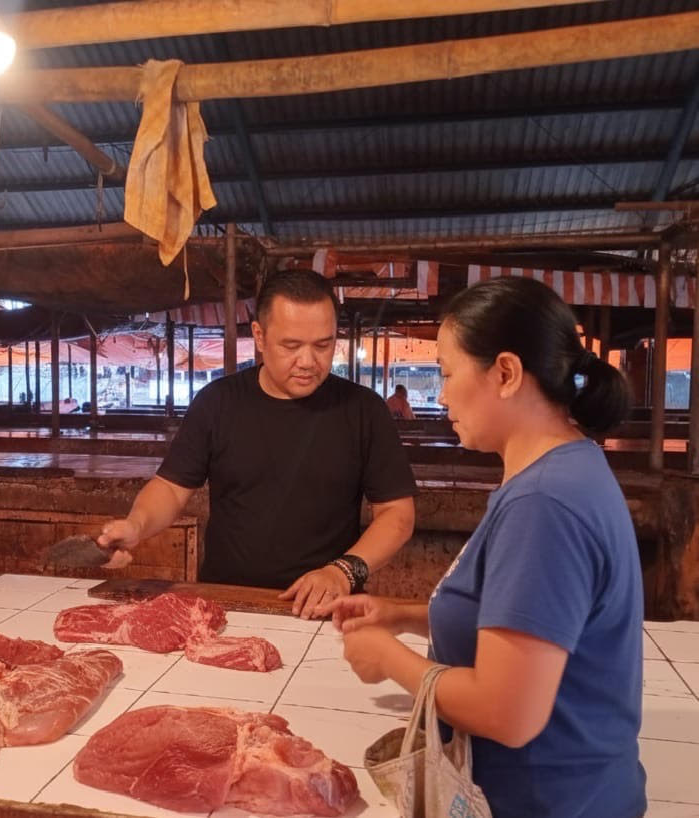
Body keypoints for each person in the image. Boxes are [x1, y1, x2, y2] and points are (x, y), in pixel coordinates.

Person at [326, 276, 644, 818]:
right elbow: (527, 626)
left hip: (549, 802)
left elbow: (508, 711)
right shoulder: (564, 472)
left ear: (505, 373)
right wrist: (403, 614)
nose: (442, 394)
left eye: (448, 373)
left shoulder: (545, 503)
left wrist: (389, 657)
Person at [97, 268, 417, 618]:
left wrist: (343, 570)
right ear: (260, 337)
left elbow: (397, 514)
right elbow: (172, 489)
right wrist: (137, 525)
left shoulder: (363, 410)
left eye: (323, 345)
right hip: (225, 603)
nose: (308, 362)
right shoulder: (218, 402)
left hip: (325, 607)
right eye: (291, 346)